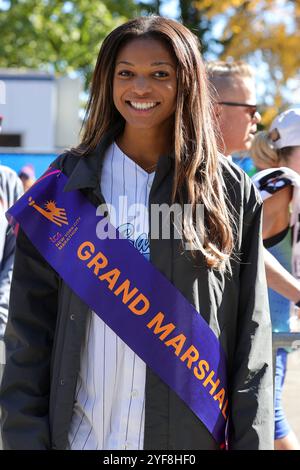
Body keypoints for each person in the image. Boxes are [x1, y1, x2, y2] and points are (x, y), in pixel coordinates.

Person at [0, 16, 273, 450]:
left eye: (159, 74)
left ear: (187, 82)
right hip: (81, 440)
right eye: (126, 73)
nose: (140, 88)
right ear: (107, 82)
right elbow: (28, 337)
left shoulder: (230, 191)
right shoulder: (63, 186)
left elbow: (251, 341)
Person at [207, 61, 300, 308]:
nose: (257, 117)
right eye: (250, 109)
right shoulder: (282, 186)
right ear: (216, 111)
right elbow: (246, 250)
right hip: (270, 338)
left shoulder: (227, 173)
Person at [251, 108, 300, 450]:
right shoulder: (282, 183)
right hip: (262, 333)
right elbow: (249, 252)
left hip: (272, 331)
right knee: (270, 423)